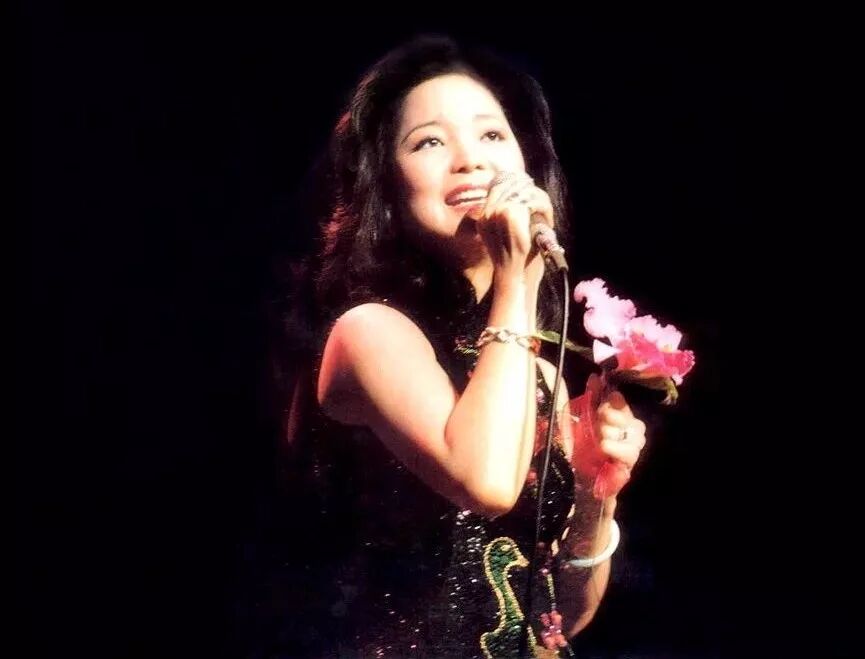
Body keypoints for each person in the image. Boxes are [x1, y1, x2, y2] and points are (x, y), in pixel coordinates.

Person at [263, 34, 650, 658]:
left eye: (491, 135)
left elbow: (559, 616)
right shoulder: (368, 333)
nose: (470, 161)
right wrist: (518, 281)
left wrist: (593, 494)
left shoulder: (535, 374)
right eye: (429, 142)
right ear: (388, 186)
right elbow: (485, 483)